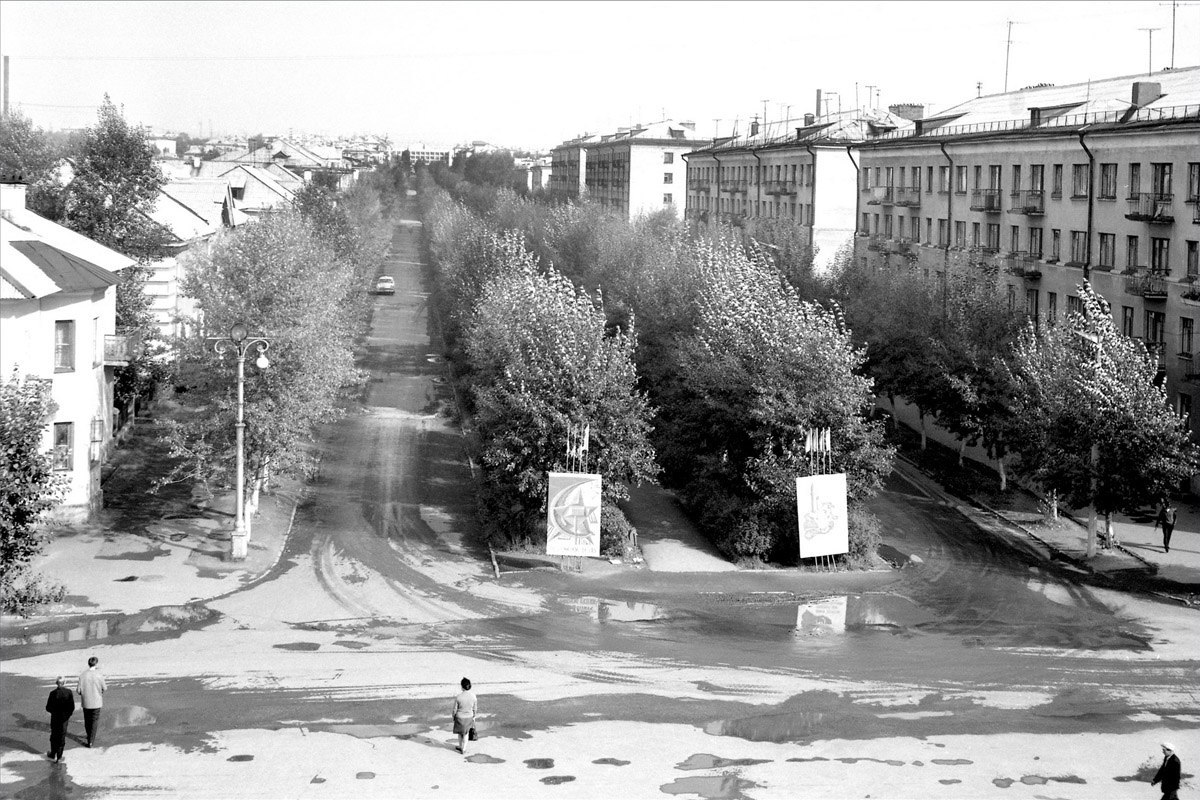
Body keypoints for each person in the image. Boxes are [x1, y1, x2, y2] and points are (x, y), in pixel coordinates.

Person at [77, 656, 106, 748]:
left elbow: (78, 690)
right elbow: (104, 688)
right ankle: (91, 740)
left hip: (86, 701)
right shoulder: (99, 675)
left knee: (87, 720)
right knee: (94, 721)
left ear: (88, 664)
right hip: (97, 701)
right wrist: (100, 691)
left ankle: (89, 736)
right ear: (96, 664)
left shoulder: (82, 675)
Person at [44, 676, 75, 762]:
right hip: (64, 718)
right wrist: (68, 715)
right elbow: (72, 707)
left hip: (55, 717)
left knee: (54, 735)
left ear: (56, 683)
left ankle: (53, 753)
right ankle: (59, 756)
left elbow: (48, 707)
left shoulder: (52, 693)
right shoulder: (69, 692)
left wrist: (54, 712)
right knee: (62, 736)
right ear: (64, 683)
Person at [451, 677, 477, 755]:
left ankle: (460, 746)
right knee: (466, 733)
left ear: (462, 686)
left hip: (459, 717)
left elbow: (454, 709)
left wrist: (453, 716)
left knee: (460, 733)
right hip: (469, 717)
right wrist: (474, 716)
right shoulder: (473, 696)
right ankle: (464, 748)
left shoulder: (459, 697)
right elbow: (475, 709)